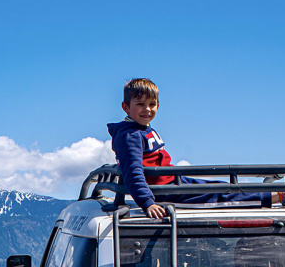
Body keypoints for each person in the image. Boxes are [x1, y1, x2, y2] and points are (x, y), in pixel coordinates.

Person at [107, 78, 265, 218]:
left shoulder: (143, 130)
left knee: (219, 187)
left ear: (158, 105)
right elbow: (133, 172)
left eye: (152, 104)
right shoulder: (130, 136)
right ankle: (276, 196)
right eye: (140, 104)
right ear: (125, 107)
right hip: (162, 191)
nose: (147, 109)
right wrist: (147, 202)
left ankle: (276, 195)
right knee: (218, 196)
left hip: (172, 182)